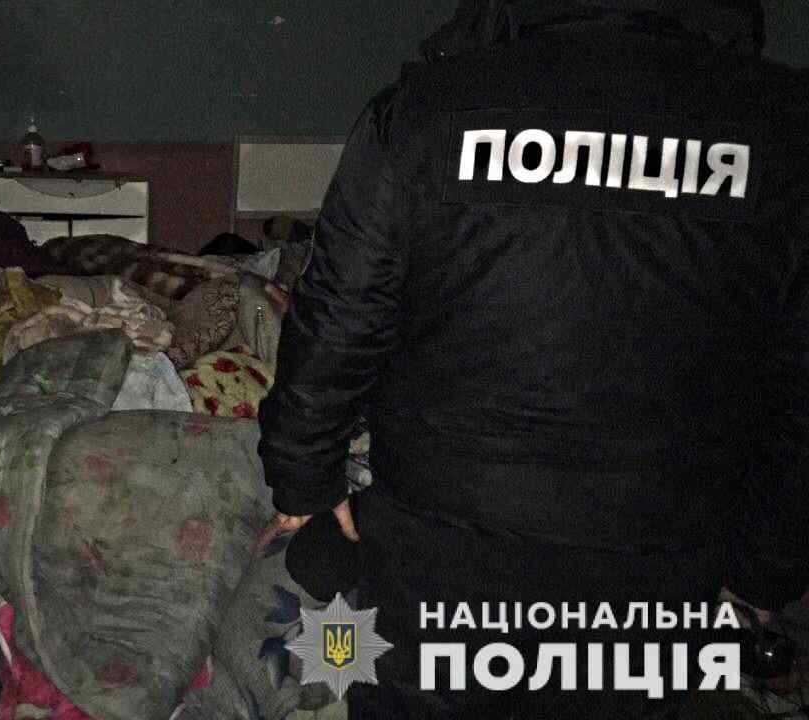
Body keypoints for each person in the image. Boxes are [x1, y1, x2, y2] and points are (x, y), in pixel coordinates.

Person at [256, 1, 809, 718]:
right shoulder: (786, 129)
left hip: (442, 557)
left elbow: (334, 322)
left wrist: (304, 482)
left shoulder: (428, 111)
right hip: (661, 564)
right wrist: (765, 571)